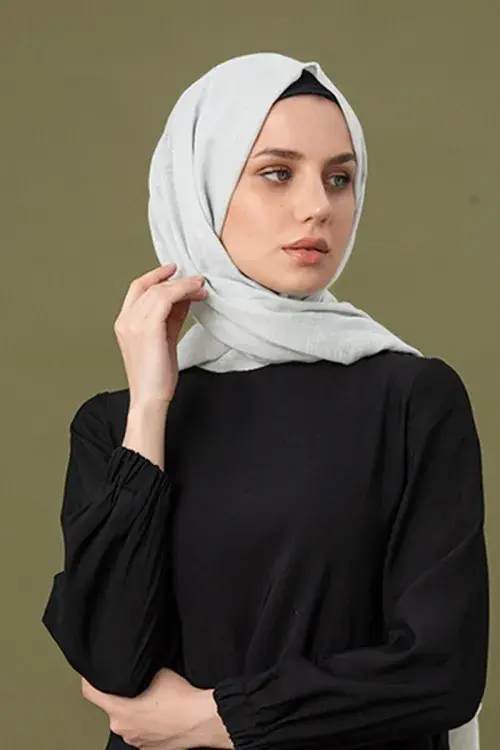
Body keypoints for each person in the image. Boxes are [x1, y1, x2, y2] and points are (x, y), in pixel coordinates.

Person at [42, 52, 489, 750]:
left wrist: (220, 717)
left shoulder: (411, 398)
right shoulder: (116, 426)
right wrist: (151, 405)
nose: (318, 206)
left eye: (339, 178)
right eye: (277, 172)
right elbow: (111, 665)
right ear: (202, 186)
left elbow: (443, 671)